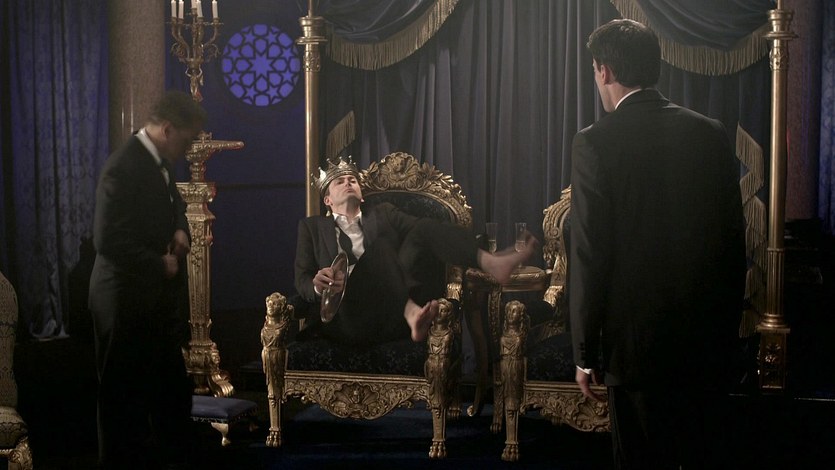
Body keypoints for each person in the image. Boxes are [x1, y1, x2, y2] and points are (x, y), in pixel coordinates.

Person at [568, 19, 747, 469]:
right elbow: (732, 245)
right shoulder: (710, 132)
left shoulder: (595, 143)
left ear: (604, 70)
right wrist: (726, 339)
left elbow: (589, 255)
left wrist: (585, 354)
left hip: (635, 353)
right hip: (706, 346)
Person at [295, 157, 535, 345]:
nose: (348, 183)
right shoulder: (311, 228)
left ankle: (489, 262)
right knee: (382, 247)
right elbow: (302, 279)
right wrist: (318, 286)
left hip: (388, 312)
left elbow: (426, 232)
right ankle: (411, 314)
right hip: (344, 319)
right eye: (340, 182)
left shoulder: (383, 213)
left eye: (353, 180)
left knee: (422, 229)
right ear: (327, 200)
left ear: (362, 195)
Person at [88, 90, 205, 469]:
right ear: (167, 129)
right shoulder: (123, 166)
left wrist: (181, 228)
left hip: (151, 304)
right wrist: (159, 265)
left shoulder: (159, 162)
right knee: (121, 404)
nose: (187, 150)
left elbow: (175, 206)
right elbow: (107, 240)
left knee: (171, 396)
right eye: (186, 140)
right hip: (122, 301)